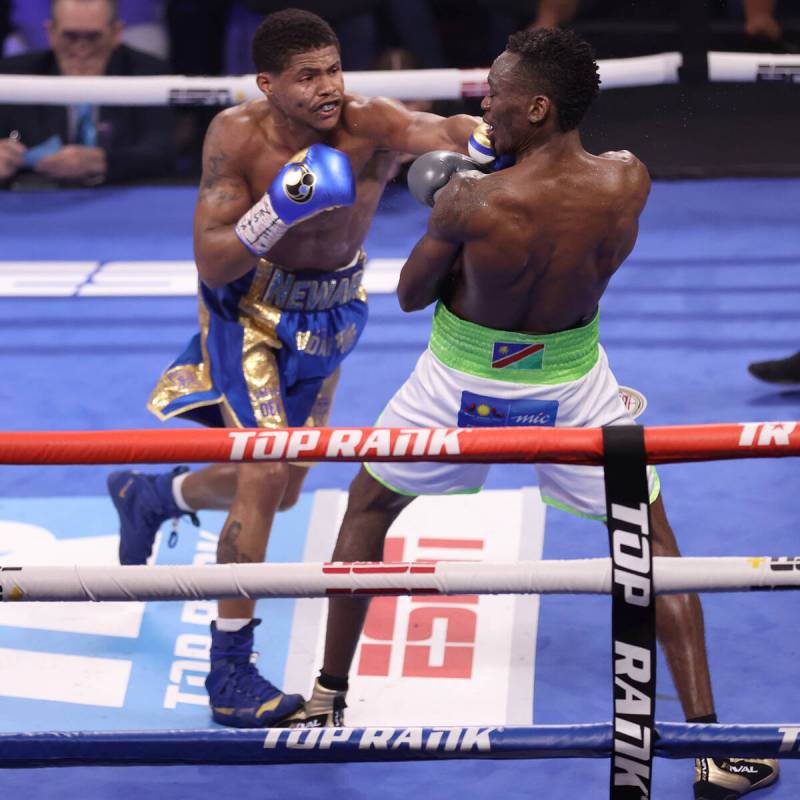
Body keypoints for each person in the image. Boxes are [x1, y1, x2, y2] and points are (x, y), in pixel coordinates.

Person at [299, 27, 779, 800]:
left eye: (497, 93)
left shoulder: (471, 199)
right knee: (658, 548)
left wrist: (452, 209)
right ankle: (711, 747)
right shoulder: (629, 180)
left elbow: (411, 295)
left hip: (458, 384)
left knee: (368, 508)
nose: (483, 102)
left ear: (540, 106)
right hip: (573, 388)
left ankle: (326, 695)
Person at [107, 7, 479, 729]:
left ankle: (157, 496)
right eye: (306, 77)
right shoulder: (235, 136)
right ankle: (230, 671)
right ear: (267, 84)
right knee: (267, 470)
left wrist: (494, 141)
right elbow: (214, 259)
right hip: (247, 318)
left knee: (281, 490)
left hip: (332, 315)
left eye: (333, 69)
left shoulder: (370, 124)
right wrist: (278, 208)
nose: (327, 88)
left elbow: (445, 132)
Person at [0, 0, 174, 187]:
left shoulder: (148, 74)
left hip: (122, 201)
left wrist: (103, 162)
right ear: (51, 32)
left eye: (93, 37)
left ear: (116, 33)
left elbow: (161, 151)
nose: (82, 48)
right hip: (34, 204)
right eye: (70, 36)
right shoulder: (15, 76)